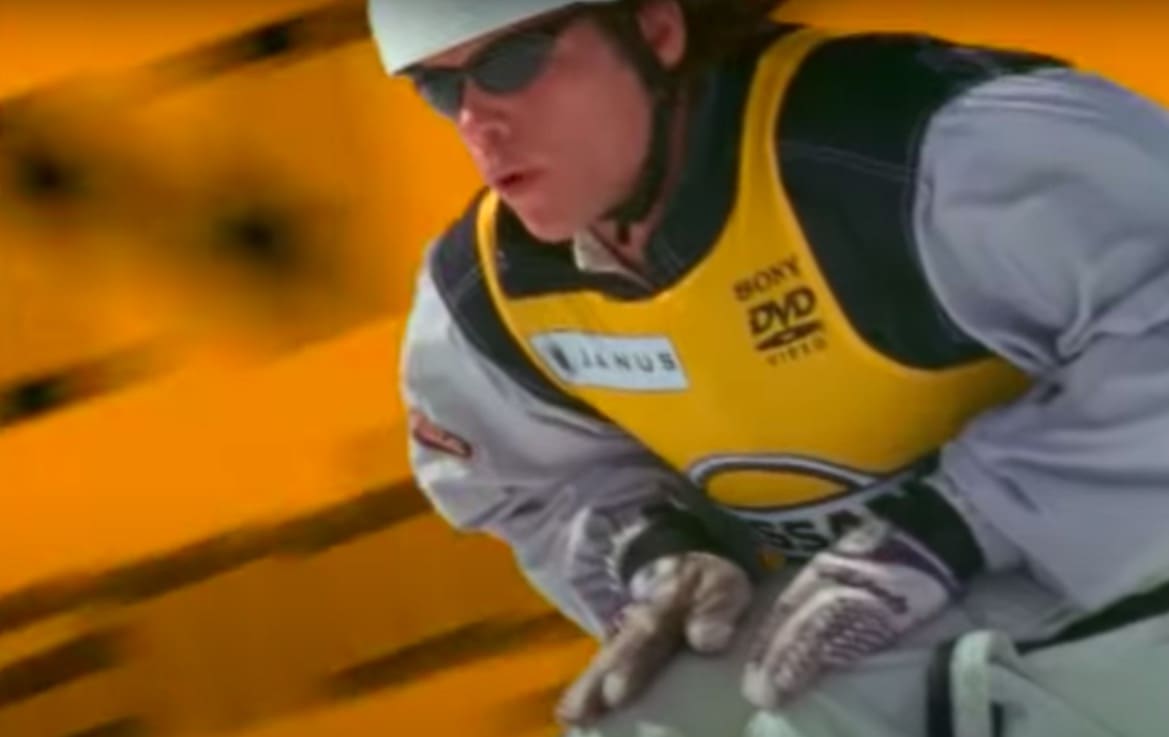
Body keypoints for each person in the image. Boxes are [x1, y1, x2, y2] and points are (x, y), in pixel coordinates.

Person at [369, 0, 1169, 734]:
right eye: (439, 88)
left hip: (1122, 584)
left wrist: (962, 521)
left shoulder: (923, 155)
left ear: (654, 29)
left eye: (512, 64)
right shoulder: (489, 300)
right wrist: (652, 547)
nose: (476, 120)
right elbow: (527, 486)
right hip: (904, 630)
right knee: (654, 718)